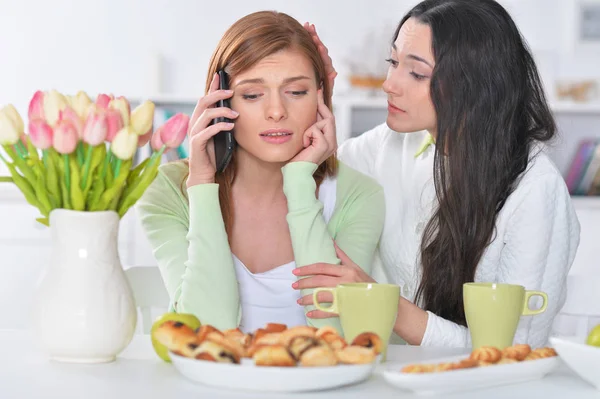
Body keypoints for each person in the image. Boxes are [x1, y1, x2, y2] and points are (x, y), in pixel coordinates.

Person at [294, 0, 580, 348]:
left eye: (416, 73)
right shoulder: (390, 145)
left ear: (474, 85)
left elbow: (514, 349)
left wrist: (376, 299)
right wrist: (314, 93)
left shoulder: (535, 189)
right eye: (393, 62)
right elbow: (309, 169)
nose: (389, 84)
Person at [136, 11, 385, 334]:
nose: (277, 111)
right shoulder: (167, 190)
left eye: (296, 92)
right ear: (218, 101)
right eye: (252, 95)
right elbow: (208, 330)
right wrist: (202, 184)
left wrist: (298, 182)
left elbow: (336, 335)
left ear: (320, 98)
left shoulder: (359, 196)